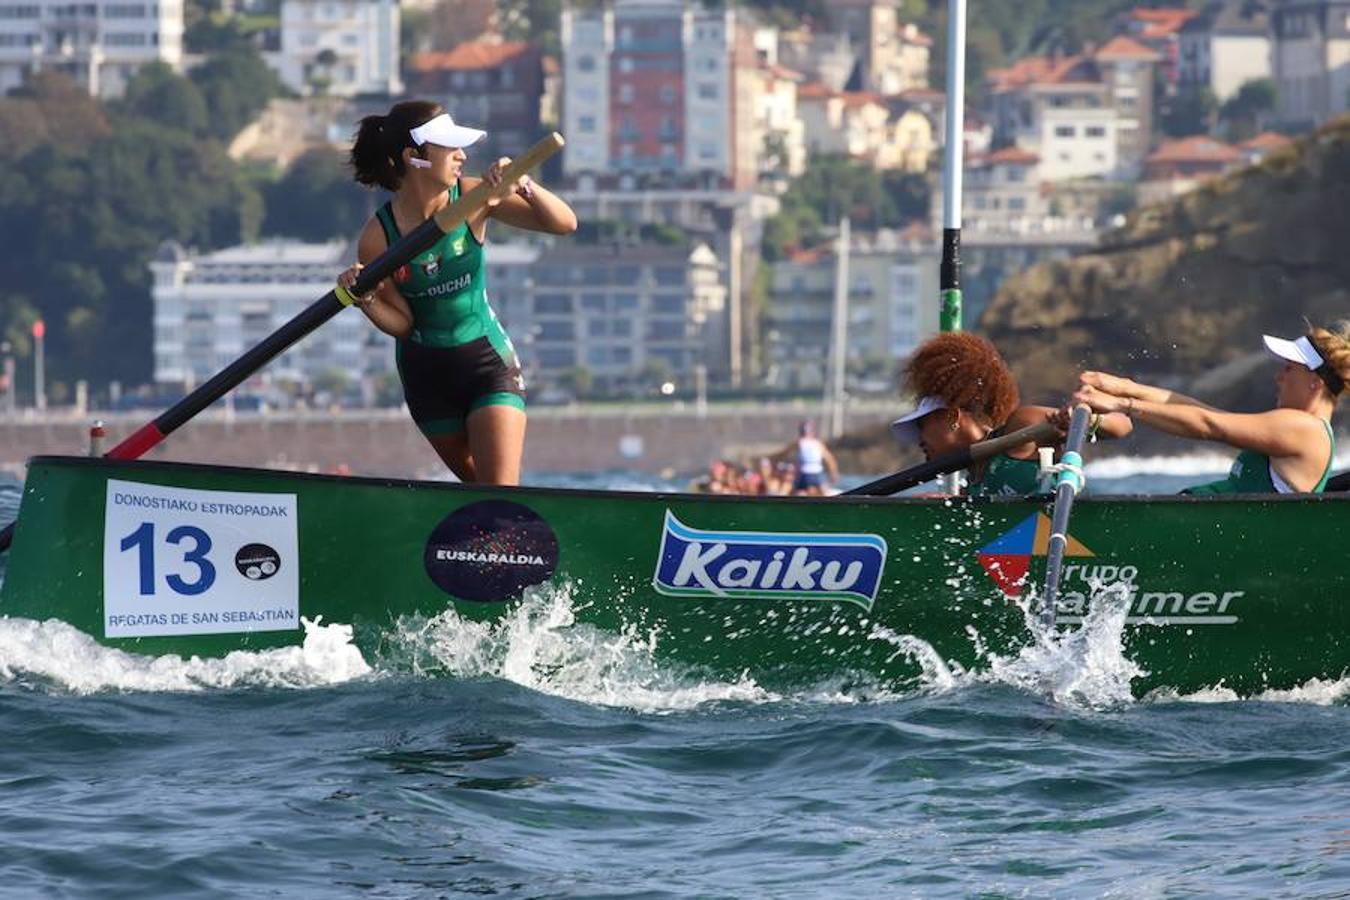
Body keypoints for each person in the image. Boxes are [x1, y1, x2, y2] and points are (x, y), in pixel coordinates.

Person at [337, 101, 577, 485]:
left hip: (486, 362)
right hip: (426, 376)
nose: (462, 156)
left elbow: (565, 224)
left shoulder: (475, 198)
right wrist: (365, 302)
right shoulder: (376, 238)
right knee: (476, 497)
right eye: (449, 148)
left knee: (499, 491)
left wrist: (525, 186)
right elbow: (402, 324)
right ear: (414, 158)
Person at [1071, 325, 1350, 494]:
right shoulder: (1297, 427)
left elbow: (1207, 425)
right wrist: (1125, 388)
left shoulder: (1304, 429)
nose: (1279, 378)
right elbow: (1204, 413)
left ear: (1315, 382)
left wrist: (1122, 405)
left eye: (1288, 369)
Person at [890, 332, 1132, 496]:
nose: (918, 439)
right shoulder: (973, 482)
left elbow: (1123, 424)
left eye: (922, 424)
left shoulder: (1022, 428)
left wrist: (1087, 419)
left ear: (953, 417)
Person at [770, 420, 839, 495]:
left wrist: (773, 460)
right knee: (824, 492)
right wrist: (834, 473)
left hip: (804, 473)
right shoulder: (818, 443)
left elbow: (783, 454)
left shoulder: (798, 442)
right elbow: (830, 459)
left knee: (794, 490)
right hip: (817, 473)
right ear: (812, 432)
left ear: (801, 432)